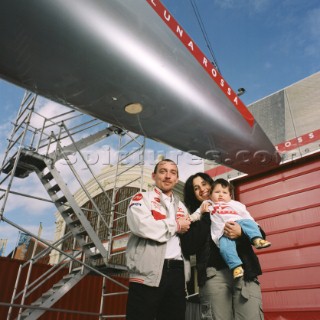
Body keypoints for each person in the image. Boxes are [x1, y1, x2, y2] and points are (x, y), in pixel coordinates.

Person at [180, 172, 266, 320]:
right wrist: (207, 215)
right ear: (193, 194)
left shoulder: (234, 208)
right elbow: (189, 247)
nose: (202, 189)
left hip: (245, 272)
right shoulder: (194, 218)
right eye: (196, 188)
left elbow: (259, 233)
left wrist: (241, 232)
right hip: (213, 276)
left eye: (204, 184)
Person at [125, 159, 191, 320]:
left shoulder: (181, 206)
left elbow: (188, 235)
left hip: (177, 270)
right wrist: (175, 225)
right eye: (163, 171)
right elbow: (142, 226)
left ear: (176, 179)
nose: (168, 176)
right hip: (148, 270)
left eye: (172, 172)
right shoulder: (141, 198)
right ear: (154, 176)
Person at [190, 178, 271, 279]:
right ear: (210, 195)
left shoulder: (236, 204)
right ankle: (236, 267)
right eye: (217, 192)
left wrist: (247, 230)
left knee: (248, 223)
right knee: (225, 248)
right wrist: (190, 218)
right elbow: (197, 214)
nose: (220, 195)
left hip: (239, 222)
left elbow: (248, 217)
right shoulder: (209, 205)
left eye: (224, 192)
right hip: (222, 233)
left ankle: (257, 240)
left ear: (230, 196)